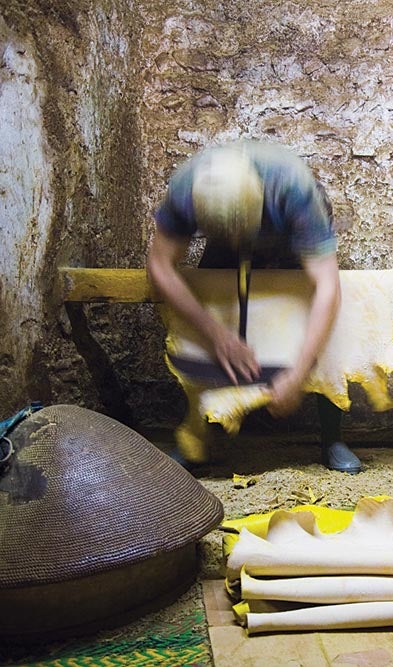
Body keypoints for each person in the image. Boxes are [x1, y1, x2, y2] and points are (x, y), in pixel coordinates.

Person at [146, 139, 362, 473]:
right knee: (212, 303)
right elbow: (160, 265)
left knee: (308, 313)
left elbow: (327, 286)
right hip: (223, 225)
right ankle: (201, 436)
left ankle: (332, 437)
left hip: (289, 233)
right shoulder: (186, 190)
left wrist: (299, 370)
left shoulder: (293, 189)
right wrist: (215, 333)